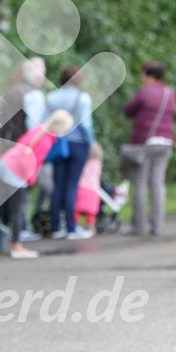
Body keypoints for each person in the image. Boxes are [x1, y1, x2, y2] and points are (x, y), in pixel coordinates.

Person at [0, 109, 73, 258]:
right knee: (18, 210)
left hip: (6, 163)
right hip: (17, 172)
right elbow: (33, 163)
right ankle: (17, 247)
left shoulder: (38, 129)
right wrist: (30, 181)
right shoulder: (47, 141)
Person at [0, 57, 47, 252]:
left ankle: (3, 227)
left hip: (8, 144)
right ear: (38, 75)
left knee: (4, 191)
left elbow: (0, 118)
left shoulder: (13, 90)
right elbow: (35, 126)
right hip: (24, 148)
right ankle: (19, 233)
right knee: (20, 194)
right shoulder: (33, 94)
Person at [123, 61, 176, 236]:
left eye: (143, 74)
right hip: (166, 142)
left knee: (140, 183)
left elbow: (129, 111)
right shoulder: (170, 94)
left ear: (149, 76)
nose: (141, 77)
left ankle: (139, 226)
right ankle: (158, 225)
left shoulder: (144, 92)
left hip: (146, 142)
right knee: (158, 183)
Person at [46, 66, 96, 240]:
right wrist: (92, 143)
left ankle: (55, 227)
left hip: (58, 143)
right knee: (72, 185)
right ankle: (71, 228)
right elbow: (85, 124)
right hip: (77, 145)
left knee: (58, 185)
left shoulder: (51, 97)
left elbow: (48, 122)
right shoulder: (82, 98)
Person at [74, 142, 103, 233]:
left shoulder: (84, 162)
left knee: (77, 209)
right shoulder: (98, 164)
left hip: (81, 187)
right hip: (93, 190)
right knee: (91, 212)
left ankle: (74, 224)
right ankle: (90, 226)